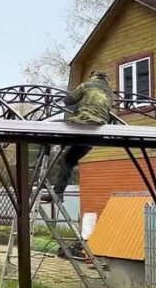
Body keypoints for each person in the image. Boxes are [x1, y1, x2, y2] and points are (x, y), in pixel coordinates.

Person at [41, 71, 114, 202]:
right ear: (106, 80)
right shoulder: (110, 93)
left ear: (93, 78)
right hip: (95, 134)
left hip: (81, 126)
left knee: (48, 132)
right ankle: (58, 193)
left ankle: (43, 155)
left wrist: (77, 94)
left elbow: (67, 101)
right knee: (68, 160)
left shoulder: (87, 85)